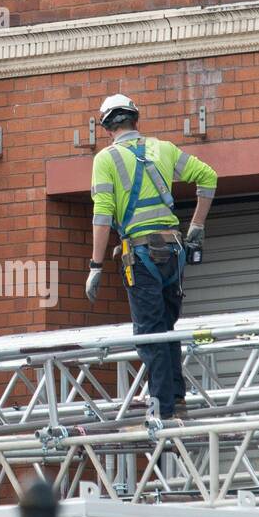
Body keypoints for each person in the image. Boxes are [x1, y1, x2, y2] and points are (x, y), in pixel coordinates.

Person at [84, 94, 217, 421]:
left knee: (150, 334)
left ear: (106, 127)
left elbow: (102, 216)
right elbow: (208, 178)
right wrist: (196, 225)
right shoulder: (164, 149)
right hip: (173, 252)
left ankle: (163, 408)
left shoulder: (106, 159)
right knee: (167, 329)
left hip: (140, 256)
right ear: (135, 120)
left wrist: (95, 266)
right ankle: (176, 398)